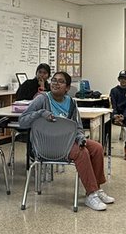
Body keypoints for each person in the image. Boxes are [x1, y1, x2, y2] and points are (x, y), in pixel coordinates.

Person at [19, 71, 114, 211]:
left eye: (60, 81)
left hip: (67, 142)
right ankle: (91, 194)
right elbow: (22, 121)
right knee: (82, 153)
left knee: (97, 148)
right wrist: (40, 113)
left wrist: (81, 138)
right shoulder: (42, 99)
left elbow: (78, 127)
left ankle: (97, 189)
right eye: (54, 80)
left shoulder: (71, 103)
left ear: (68, 88)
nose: (56, 83)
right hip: (47, 145)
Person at [104, 70, 126, 160]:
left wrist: (124, 117)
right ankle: (104, 145)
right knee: (105, 119)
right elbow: (113, 105)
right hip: (115, 114)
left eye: (125, 79)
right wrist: (115, 115)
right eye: (121, 78)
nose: (123, 80)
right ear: (118, 79)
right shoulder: (114, 91)